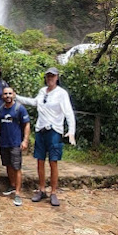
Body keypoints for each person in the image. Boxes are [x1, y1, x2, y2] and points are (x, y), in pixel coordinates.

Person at [16, 67, 76, 206]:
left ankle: (53, 192)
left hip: (54, 130)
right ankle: (41, 189)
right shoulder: (42, 91)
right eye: (48, 76)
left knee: (53, 161)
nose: (50, 78)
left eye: (53, 76)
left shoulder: (61, 93)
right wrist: (16, 96)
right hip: (40, 130)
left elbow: (68, 112)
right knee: (40, 161)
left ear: (57, 77)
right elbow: (34, 102)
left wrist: (71, 131)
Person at [0, 87, 30, 206]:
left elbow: (26, 124)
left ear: (13, 94)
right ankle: (12, 185)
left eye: (10, 93)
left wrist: (25, 140)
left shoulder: (19, 109)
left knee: (16, 167)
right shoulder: (0, 110)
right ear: (2, 96)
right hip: (4, 143)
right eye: (5, 94)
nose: (8, 95)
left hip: (15, 143)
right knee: (8, 165)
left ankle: (17, 193)